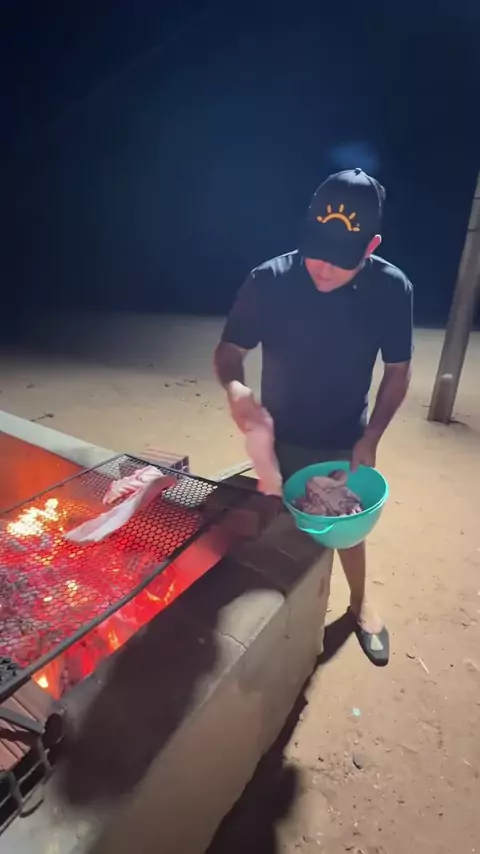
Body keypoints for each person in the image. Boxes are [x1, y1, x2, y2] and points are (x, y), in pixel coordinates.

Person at [214, 168, 413, 666]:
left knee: (346, 530)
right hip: (276, 432)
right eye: (316, 251)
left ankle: (360, 603)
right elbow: (230, 350)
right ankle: (277, 604)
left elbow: (398, 371)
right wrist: (237, 388)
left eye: (342, 259)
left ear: (371, 246)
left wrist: (372, 436)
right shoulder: (268, 279)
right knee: (275, 515)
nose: (323, 269)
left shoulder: (392, 288)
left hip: (344, 434)